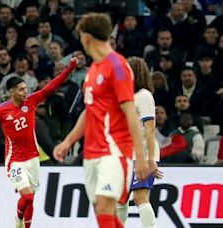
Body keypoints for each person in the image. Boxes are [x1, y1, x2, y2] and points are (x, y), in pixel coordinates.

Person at [53, 13, 150, 228]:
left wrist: (141, 158)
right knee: (103, 213)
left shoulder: (118, 66)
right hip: (91, 152)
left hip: (115, 150)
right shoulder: (93, 69)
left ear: (86, 38)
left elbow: (131, 113)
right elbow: (90, 112)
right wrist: (68, 141)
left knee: (106, 206)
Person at [0, 57, 78, 228]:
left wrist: (70, 69)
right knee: (28, 196)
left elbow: (51, 86)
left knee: (31, 200)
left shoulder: (31, 101)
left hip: (33, 159)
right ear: (11, 92)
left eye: (26, 88)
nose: (26, 92)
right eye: (22, 89)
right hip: (15, 160)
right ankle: (18, 220)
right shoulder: (0, 110)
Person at [116, 57, 163, 228]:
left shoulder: (144, 96)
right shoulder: (126, 97)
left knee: (140, 197)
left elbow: (150, 129)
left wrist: (151, 159)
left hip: (142, 154)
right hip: (126, 155)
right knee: (120, 199)